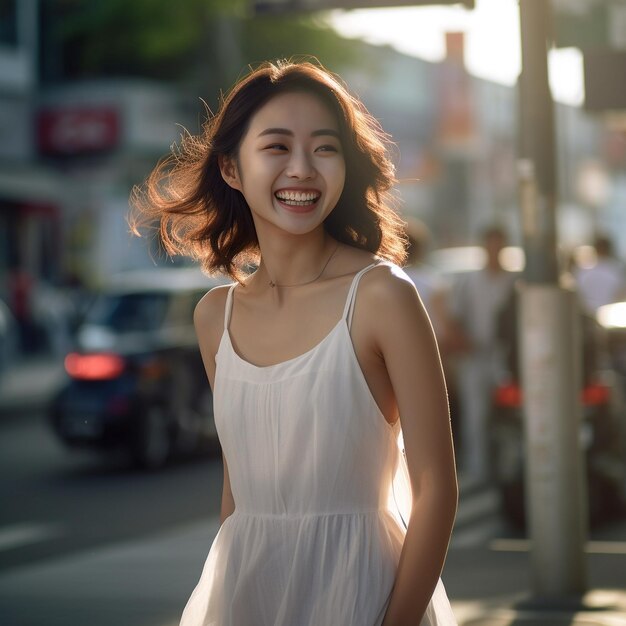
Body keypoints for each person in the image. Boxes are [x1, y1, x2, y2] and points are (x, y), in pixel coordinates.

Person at [131, 60, 458, 626]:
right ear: (232, 168)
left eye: (324, 148)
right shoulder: (216, 315)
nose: (302, 170)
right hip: (248, 591)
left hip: (364, 590)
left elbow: (436, 488)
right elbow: (239, 493)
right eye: (277, 147)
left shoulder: (381, 295)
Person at [447, 225, 517, 481]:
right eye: (491, 243)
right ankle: (480, 471)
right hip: (475, 358)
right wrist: (464, 344)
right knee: (476, 416)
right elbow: (454, 318)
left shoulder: (513, 281)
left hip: (504, 358)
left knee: (508, 417)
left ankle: (508, 470)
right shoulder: (469, 282)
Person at [574, 234, 626, 315]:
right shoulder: (617, 269)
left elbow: (578, 293)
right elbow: (621, 293)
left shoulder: (583, 271)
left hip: (588, 313)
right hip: (610, 313)